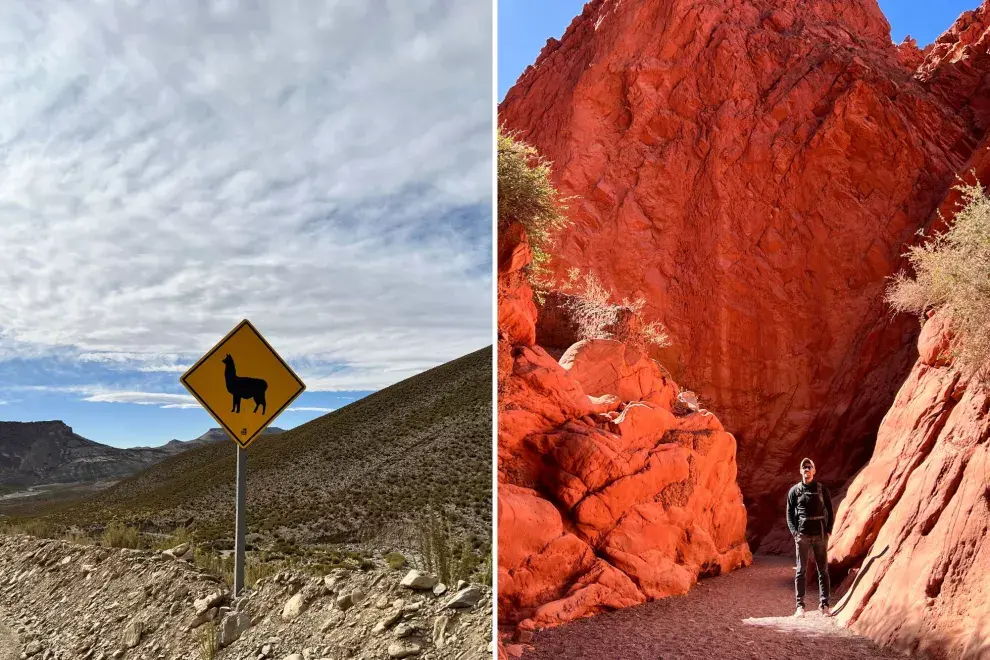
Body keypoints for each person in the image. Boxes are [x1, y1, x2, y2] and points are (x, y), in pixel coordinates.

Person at [786, 457, 834, 617]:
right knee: (801, 571)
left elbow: (829, 509)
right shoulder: (794, 491)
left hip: (820, 535)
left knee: (823, 571)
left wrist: (829, 529)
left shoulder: (822, 489)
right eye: (804, 467)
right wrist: (794, 532)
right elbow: (789, 513)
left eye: (809, 467)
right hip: (803, 535)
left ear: (814, 470)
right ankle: (800, 606)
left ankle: (824, 605)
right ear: (800, 471)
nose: (806, 469)